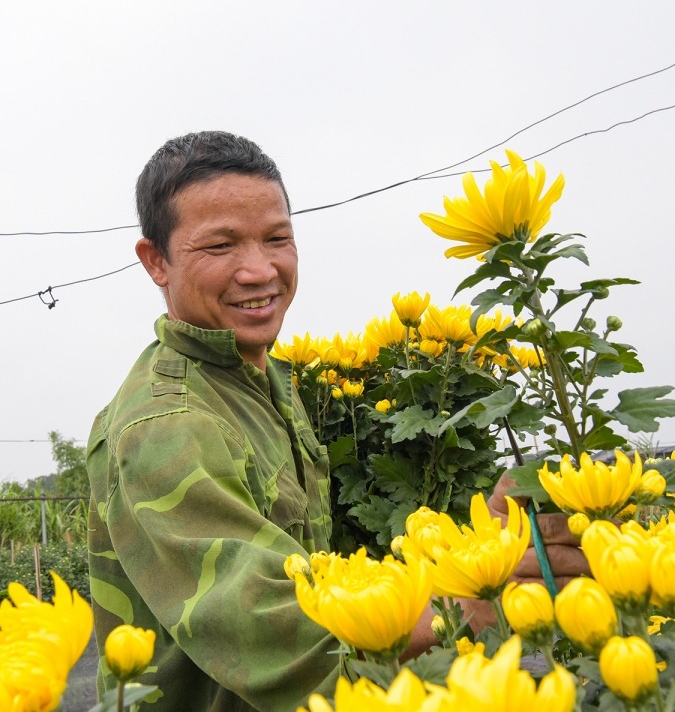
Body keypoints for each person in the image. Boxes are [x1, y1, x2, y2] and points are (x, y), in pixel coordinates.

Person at [87, 130, 587, 711]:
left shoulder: (259, 380)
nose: (259, 270)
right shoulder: (168, 424)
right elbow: (287, 638)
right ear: (156, 262)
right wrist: (479, 598)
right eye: (220, 247)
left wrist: (485, 549)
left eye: (277, 239)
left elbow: (323, 579)